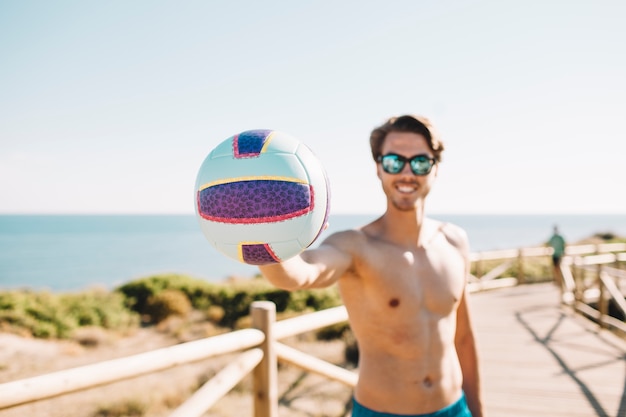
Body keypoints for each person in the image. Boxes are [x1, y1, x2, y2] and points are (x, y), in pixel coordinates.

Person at [259, 115, 483, 417]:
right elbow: (300, 273)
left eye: (419, 162)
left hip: (454, 408)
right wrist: (262, 235)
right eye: (394, 161)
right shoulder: (355, 247)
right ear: (378, 167)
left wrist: (478, 410)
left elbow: (464, 338)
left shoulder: (455, 241)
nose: (406, 173)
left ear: (435, 168)